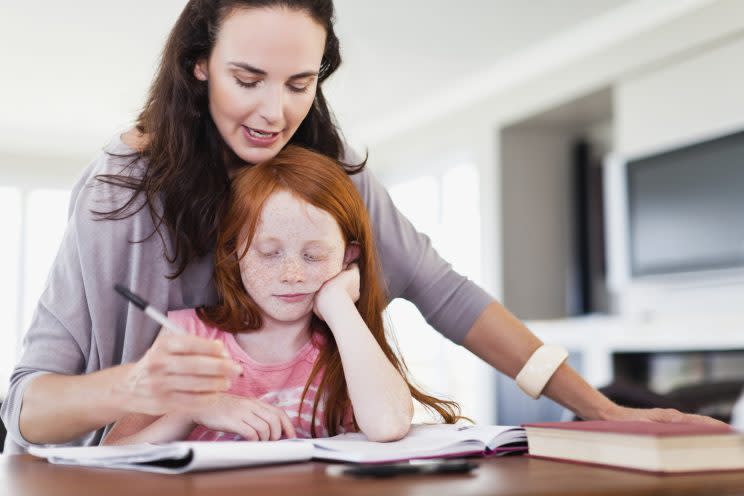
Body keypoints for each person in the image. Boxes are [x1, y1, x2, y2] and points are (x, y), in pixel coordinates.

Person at [1, 0, 723, 453]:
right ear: (198, 66)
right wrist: (139, 388)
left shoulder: (332, 174)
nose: (273, 113)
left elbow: (449, 296)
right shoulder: (120, 190)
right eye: (247, 79)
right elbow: (27, 406)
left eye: (299, 83)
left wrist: (597, 409)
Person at [102, 145, 461, 444]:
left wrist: (338, 305)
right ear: (233, 252)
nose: (292, 275)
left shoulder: (345, 345)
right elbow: (111, 454)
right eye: (269, 253)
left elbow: (388, 424)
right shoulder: (188, 335)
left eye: (314, 256)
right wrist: (191, 410)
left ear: (348, 255)